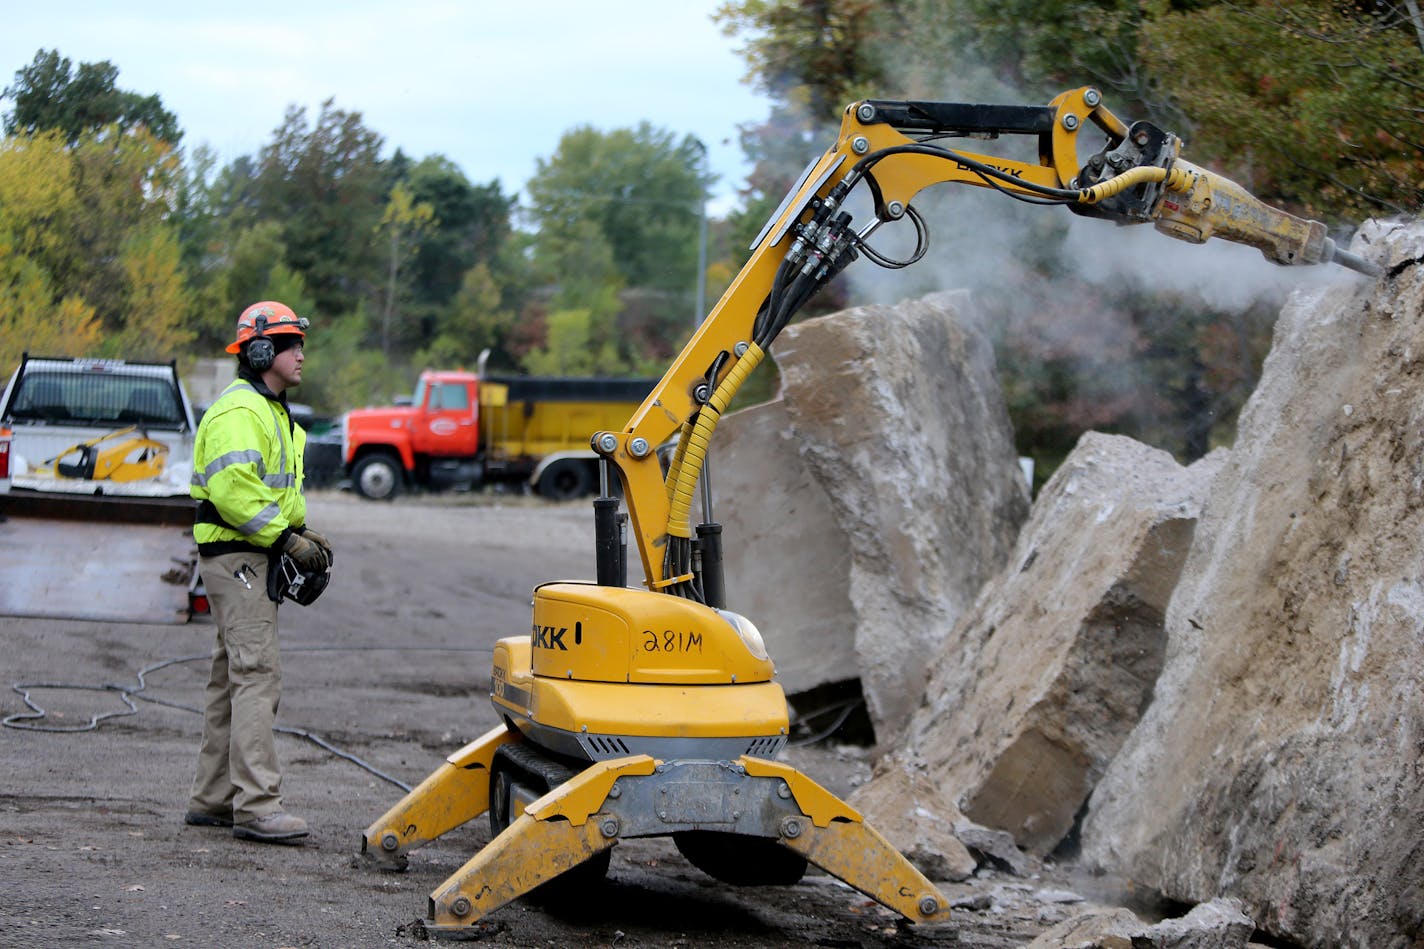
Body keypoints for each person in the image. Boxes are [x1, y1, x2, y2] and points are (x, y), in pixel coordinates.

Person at [184, 300, 333, 844]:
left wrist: (300, 528)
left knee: (231, 678)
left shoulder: (269, 410)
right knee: (256, 676)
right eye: (294, 345)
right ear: (263, 350)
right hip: (239, 557)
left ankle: (214, 798)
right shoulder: (241, 412)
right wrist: (284, 537)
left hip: (245, 555)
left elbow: (270, 491)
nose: (301, 356)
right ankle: (257, 806)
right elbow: (233, 490)